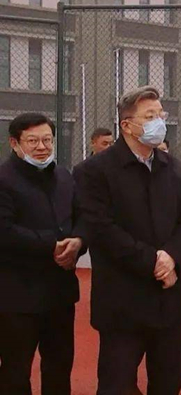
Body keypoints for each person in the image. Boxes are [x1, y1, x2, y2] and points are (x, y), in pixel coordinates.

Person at [76, 86, 181, 395]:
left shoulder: (173, 167)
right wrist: (153, 261)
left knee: (168, 382)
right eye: (150, 116)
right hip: (122, 301)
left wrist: (171, 256)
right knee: (116, 384)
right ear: (127, 125)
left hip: (168, 299)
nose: (159, 122)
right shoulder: (95, 171)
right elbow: (102, 229)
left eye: (161, 115)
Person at [0, 113, 86, 395]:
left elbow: (82, 217)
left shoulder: (64, 176)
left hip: (60, 292)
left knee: (59, 367)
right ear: (15, 143)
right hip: (17, 296)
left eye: (47, 140)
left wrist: (78, 242)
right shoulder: (4, 179)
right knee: (15, 371)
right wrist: (52, 244)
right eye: (33, 141)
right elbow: (5, 231)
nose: (42, 147)